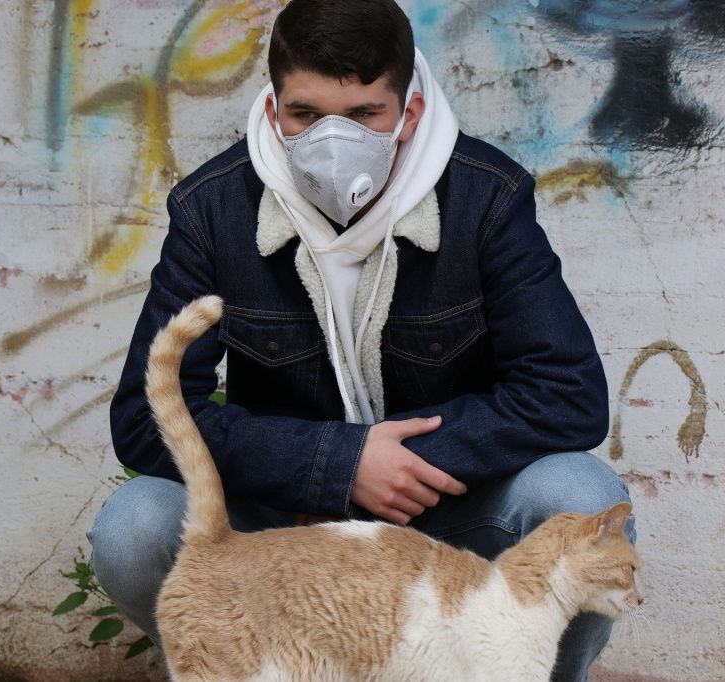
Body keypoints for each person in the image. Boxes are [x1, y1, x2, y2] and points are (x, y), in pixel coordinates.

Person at [88, 0, 635, 678]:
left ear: (409, 112)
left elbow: (568, 395)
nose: (332, 139)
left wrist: (401, 466)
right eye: (306, 115)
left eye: (365, 114)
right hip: (287, 526)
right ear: (271, 110)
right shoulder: (213, 209)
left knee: (577, 492)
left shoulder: (485, 198)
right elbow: (143, 420)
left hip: (448, 520)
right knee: (135, 527)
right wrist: (338, 465)